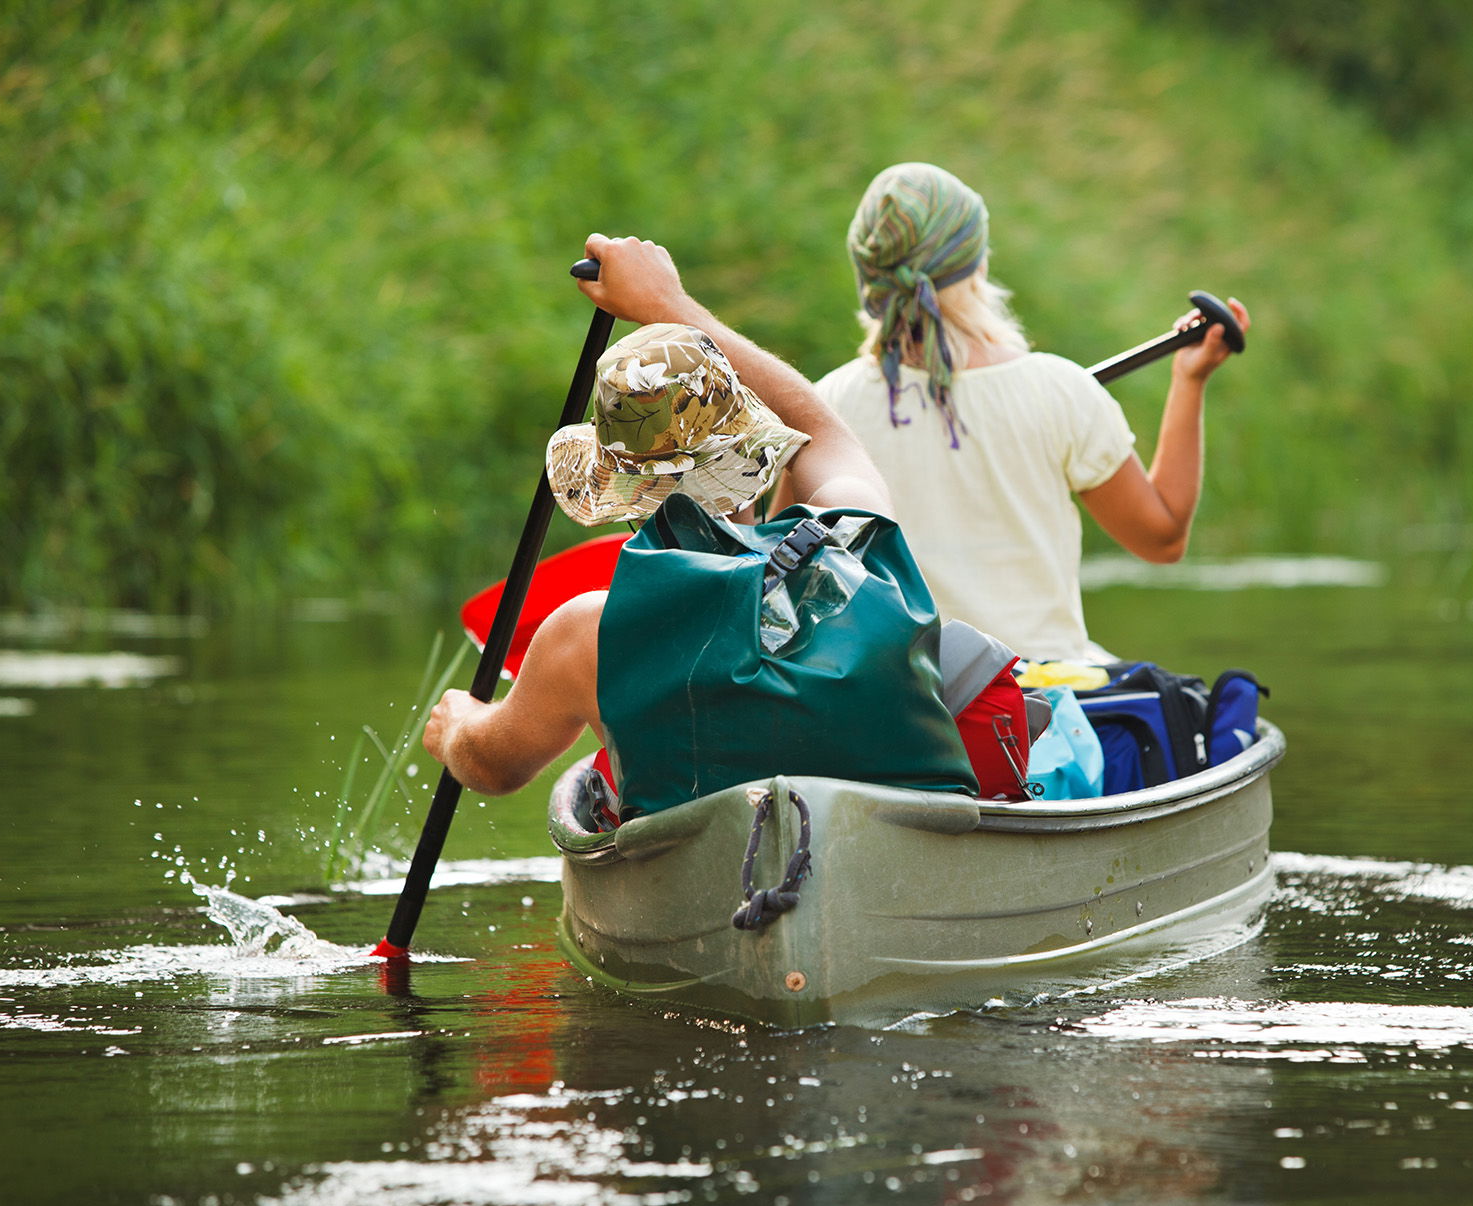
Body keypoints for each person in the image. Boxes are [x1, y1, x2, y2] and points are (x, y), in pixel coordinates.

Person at [424, 236, 895, 796]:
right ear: (757, 452)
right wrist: (667, 303)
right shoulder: (850, 528)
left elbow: (493, 767)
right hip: (883, 821)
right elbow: (821, 430)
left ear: (623, 496)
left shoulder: (590, 631)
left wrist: (458, 727)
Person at [813, 162, 1250, 664]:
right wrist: (1189, 379)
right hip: (1039, 708)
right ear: (975, 264)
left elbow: (790, 561)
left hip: (901, 701)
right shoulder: (1059, 389)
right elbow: (1163, 538)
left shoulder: (827, 404)